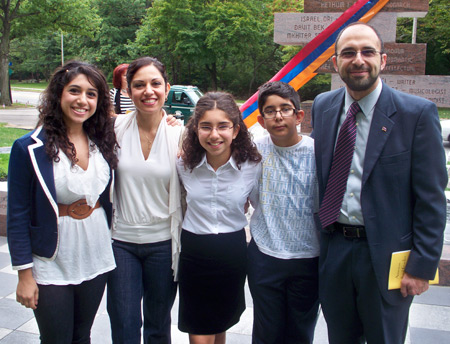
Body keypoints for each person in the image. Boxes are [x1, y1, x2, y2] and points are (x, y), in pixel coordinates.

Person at [311, 22, 447, 343]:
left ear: (382, 61)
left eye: (367, 51)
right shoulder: (323, 106)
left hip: (388, 258)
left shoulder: (417, 114)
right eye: (348, 53)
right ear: (336, 63)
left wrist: (422, 267)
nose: (358, 59)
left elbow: (431, 199)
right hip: (335, 250)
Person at [7, 61, 118, 343]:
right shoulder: (28, 148)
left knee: (82, 336)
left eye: (91, 94)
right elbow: (17, 214)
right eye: (75, 91)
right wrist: (24, 275)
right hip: (50, 257)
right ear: (59, 94)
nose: (82, 100)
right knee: (56, 338)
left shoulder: (102, 140)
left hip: (95, 251)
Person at [107, 56, 184, 344]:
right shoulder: (113, 130)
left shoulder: (180, 134)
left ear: (167, 88)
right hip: (121, 242)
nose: (148, 91)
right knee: (124, 324)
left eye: (155, 83)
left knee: (158, 324)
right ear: (128, 91)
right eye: (139, 85)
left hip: (164, 245)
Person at [176, 92, 261, 344]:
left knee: (221, 323)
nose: (214, 135)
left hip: (232, 253)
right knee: (200, 332)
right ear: (195, 130)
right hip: (194, 252)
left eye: (223, 126)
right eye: (206, 127)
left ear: (235, 130)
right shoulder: (183, 164)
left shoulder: (252, 166)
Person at [247, 81, 320, 344]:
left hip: (309, 258)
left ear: (299, 115)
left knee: (300, 332)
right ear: (261, 119)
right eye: (270, 110)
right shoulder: (253, 150)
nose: (278, 116)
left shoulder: (317, 152)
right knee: (266, 332)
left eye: (285, 109)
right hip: (265, 255)